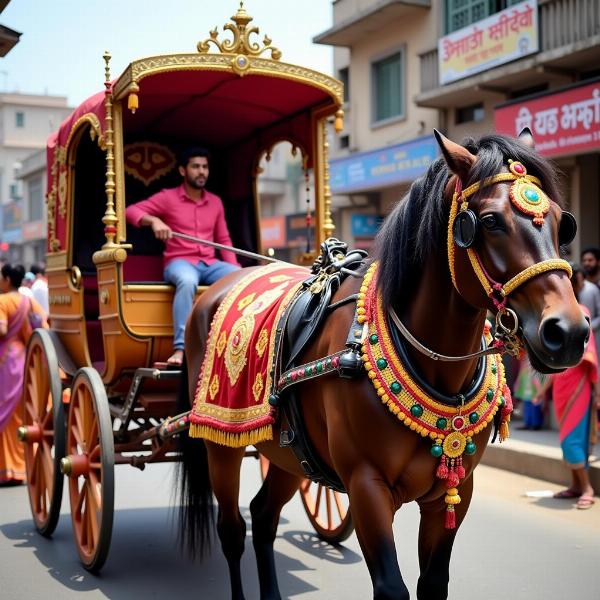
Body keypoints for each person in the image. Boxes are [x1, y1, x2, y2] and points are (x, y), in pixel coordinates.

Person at [126, 147, 240, 366]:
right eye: (195, 166)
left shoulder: (215, 202)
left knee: (241, 280)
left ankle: (234, 343)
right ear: (182, 170)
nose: (201, 172)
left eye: (205, 167)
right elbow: (130, 211)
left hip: (210, 263)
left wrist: (237, 272)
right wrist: (154, 221)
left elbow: (224, 240)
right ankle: (181, 349)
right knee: (187, 282)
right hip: (180, 262)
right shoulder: (168, 198)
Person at [534, 302, 598, 509]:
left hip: (579, 388)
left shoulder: (583, 312)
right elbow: (554, 363)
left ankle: (587, 488)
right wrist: (542, 392)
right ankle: (576, 486)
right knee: (565, 440)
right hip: (561, 386)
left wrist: (597, 392)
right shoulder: (554, 311)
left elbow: (590, 354)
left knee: (573, 441)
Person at [0, 264, 48, 485]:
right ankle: (24, 465)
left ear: (7, 279)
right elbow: (43, 325)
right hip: (27, 361)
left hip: (7, 361)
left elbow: (1, 330)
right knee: (21, 415)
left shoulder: (2, 301)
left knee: (7, 418)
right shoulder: (28, 301)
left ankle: (9, 469)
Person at [513, 355, 546, 430]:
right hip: (526, 390)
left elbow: (537, 380)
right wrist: (517, 384)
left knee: (535, 406)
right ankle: (528, 423)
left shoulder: (535, 369)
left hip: (534, 391)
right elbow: (520, 377)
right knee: (527, 406)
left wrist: (539, 390)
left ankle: (536, 424)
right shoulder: (524, 370)